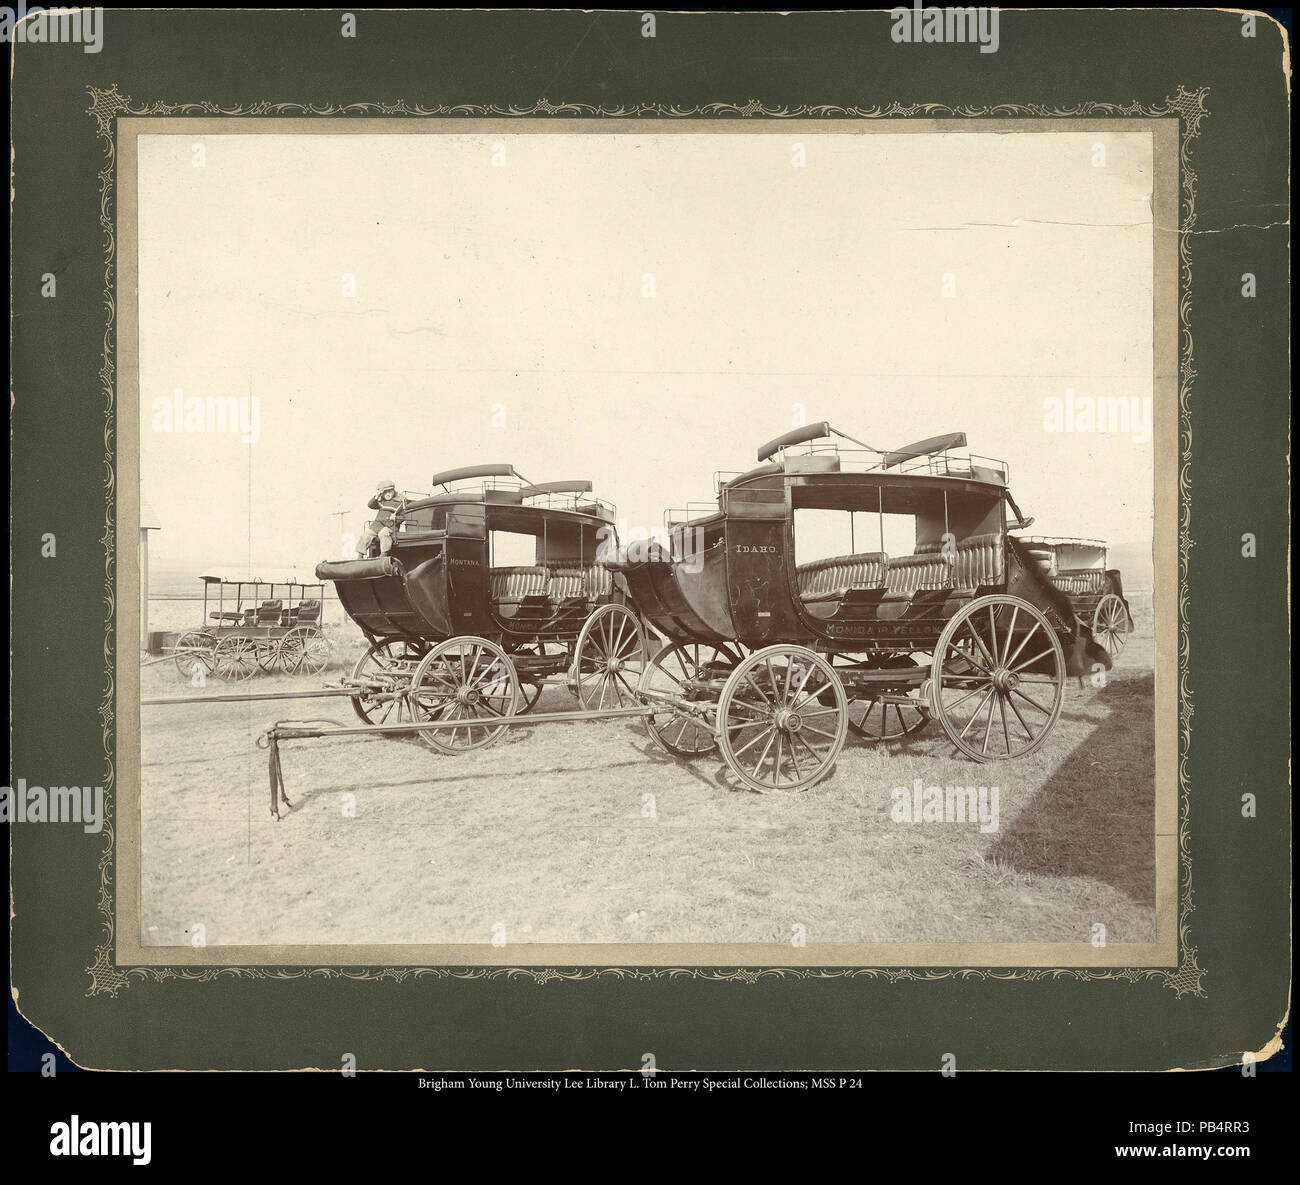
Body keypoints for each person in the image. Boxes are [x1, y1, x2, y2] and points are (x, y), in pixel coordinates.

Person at [359, 480, 404, 557]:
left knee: (384, 534)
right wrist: (376, 496)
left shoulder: (399, 503)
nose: (388, 494)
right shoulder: (381, 502)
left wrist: (396, 518)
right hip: (377, 525)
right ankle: (360, 554)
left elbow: (403, 516)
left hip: (390, 526)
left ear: (394, 491)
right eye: (385, 492)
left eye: (390, 491)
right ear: (382, 494)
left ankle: (384, 553)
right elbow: (370, 505)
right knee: (366, 534)